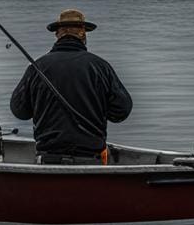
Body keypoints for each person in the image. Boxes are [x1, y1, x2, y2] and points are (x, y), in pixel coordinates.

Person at [10, 9, 133, 164]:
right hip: (91, 160)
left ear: (57, 34)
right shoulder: (101, 67)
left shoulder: (37, 68)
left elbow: (19, 111)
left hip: (48, 158)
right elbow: (121, 112)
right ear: (83, 34)